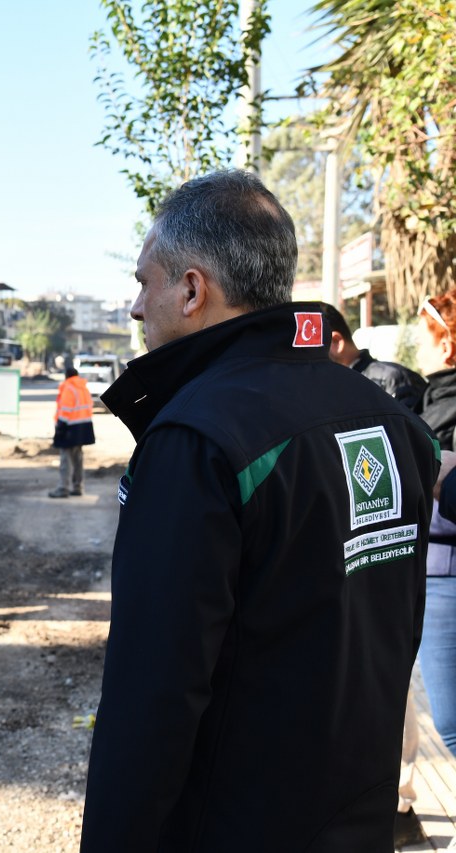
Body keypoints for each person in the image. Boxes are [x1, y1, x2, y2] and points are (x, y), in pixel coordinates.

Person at [80, 170, 438, 853]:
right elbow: (394, 630)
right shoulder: (392, 423)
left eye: (143, 281)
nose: (133, 306)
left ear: (192, 290)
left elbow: (154, 694)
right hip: (355, 821)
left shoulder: (199, 441)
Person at [323, 300, 429, 846]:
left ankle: (402, 802)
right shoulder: (329, 391)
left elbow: (421, 460)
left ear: (336, 339)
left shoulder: (387, 383)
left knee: (397, 691)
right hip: (358, 554)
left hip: (388, 550)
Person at [415, 292, 456, 774]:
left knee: (447, 722)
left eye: (423, 337)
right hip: (434, 568)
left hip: (445, 575)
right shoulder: (432, 397)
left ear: (446, 345)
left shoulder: (445, 405)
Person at [323, 301, 427, 413]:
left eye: (311, 349)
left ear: (336, 342)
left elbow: (408, 428)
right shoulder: (330, 387)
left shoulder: (393, 379)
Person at [48, 366, 95, 498]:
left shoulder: (69, 388)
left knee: (65, 460)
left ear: (67, 376)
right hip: (82, 428)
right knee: (78, 459)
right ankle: (78, 487)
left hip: (69, 428)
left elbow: (65, 411)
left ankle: (63, 488)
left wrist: (60, 428)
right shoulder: (83, 388)